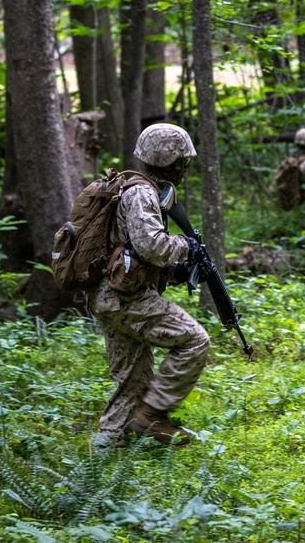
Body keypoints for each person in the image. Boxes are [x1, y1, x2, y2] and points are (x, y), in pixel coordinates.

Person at [89, 123, 209, 447]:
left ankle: (100, 462)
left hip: (110, 298)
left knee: (133, 384)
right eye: (182, 161)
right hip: (126, 299)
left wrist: (177, 273)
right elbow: (152, 247)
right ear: (169, 161)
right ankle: (151, 418)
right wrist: (187, 246)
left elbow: (131, 253)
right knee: (195, 340)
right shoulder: (142, 193)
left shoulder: (136, 189)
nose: (185, 168)